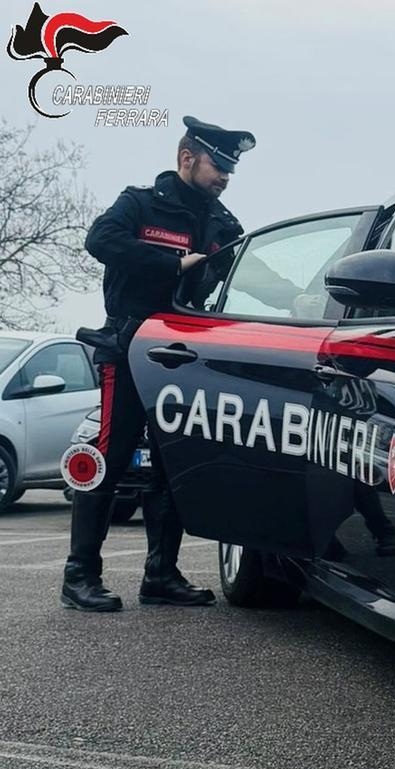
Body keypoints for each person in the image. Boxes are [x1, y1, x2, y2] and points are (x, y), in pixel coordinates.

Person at [61, 116, 255, 612]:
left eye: (231, 170)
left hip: (179, 357)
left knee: (173, 462)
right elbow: (99, 241)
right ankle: (79, 577)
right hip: (127, 347)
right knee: (109, 454)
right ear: (187, 158)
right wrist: (171, 263)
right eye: (219, 166)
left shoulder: (222, 222)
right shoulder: (140, 203)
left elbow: (251, 271)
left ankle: (161, 576)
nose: (225, 177)